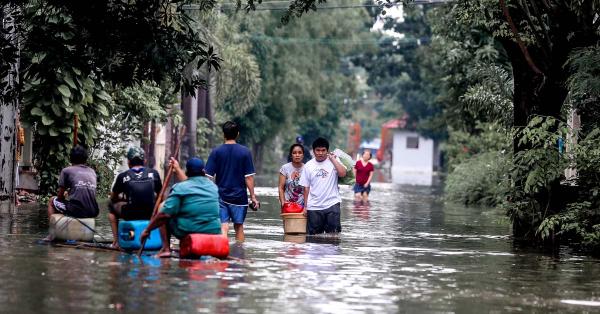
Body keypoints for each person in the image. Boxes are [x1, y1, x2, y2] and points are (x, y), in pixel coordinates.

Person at [140, 157, 222, 257]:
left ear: (187, 172)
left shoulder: (180, 188)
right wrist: (177, 168)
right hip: (214, 231)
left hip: (191, 230)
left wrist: (147, 230)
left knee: (163, 208)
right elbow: (192, 184)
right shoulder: (213, 187)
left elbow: (164, 214)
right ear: (204, 171)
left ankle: (166, 249)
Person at [205, 121, 260, 242]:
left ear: (223, 135)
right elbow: (249, 178)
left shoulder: (216, 152)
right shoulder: (245, 152)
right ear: (237, 134)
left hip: (220, 196)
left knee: (223, 226)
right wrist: (253, 197)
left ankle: (221, 252)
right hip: (240, 198)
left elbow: (208, 176)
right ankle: (239, 253)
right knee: (239, 227)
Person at [108, 146, 165, 249]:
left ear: (129, 162)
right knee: (162, 204)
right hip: (151, 213)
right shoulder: (154, 173)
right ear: (144, 161)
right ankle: (165, 244)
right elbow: (162, 196)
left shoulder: (122, 176)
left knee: (111, 206)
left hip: (131, 214)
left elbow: (113, 198)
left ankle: (116, 242)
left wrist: (123, 199)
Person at [299, 137, 347, 235]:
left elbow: (342, 173)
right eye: (318, 150)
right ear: (313, 151)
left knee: (334, 236)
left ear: (327, 151)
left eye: (323, 150)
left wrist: (333, 159)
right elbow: (306, 188)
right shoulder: (308, 166)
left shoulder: (334, 161)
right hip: (314, 207)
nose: (320, 153)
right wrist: (305, 207)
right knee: (313, 238)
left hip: (332, 204)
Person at [47, 145, 99, 224]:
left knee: (52, 201)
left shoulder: (66, 171)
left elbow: (60, 196)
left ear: (70, 158)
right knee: (69, 204)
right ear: (85, 159)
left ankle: (52, 233)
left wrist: (65, 195)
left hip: (77, 210)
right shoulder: (92, 171)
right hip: (94, 211)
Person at [278, 143, 306, 209]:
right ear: (291, 155)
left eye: (300, 153)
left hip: (302, 205)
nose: (297, 155)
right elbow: (281, 188)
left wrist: (306, 206)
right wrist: (283, 203)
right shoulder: (285, 168)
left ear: (303, 155)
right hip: (288, 204)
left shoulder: (307, 168)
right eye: (294, 153)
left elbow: (308, 189)